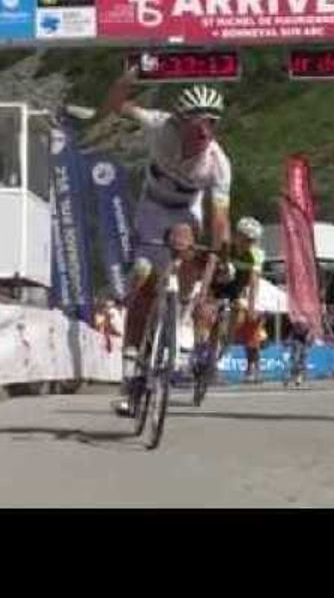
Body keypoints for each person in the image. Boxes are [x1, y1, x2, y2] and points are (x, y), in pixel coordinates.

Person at [92, 66, 234, 417]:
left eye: (212, 123)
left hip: (186, 212)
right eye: (199, 121)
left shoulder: (218, 164)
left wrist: (211, 272)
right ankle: (131, 376)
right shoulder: (158, 124)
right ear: (181, 120)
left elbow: (219, 226)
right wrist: (127, 78)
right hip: (152, 208)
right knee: (141, 278)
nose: (205, 130)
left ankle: (181, 308)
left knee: (186, 244)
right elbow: (114, 105)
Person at [205, 217, 268, 383]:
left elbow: (254, 283)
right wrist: (205, 293)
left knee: (233, 323)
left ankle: (219, 355)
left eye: (252, 240)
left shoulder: (256, 254)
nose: (248, 243)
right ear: (237, 235)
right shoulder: (227, 247)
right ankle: (205, 357)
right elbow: (211, 268)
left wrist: (252, 307)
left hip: (237, 289)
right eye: (245, 239)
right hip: (218, 284)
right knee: (211, 320)